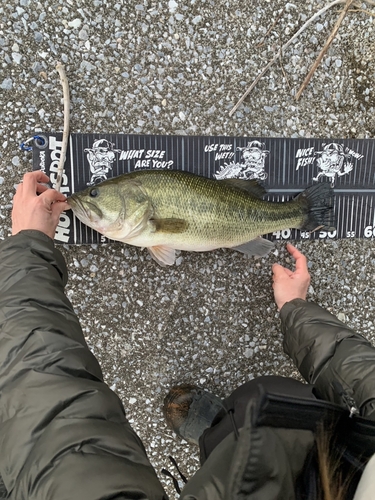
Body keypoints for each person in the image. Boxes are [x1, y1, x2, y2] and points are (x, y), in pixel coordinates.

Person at [1, 170, 375, 499]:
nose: (87, 200)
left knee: (257, 410)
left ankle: (221, 435)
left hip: (308, 458)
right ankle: (224, 433)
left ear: (138, 204)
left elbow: (53, 436)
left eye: (97, 194)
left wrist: (29, 245)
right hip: (334, 450)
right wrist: (297, 311)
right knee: (263, 404)